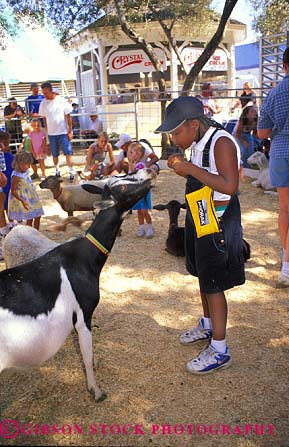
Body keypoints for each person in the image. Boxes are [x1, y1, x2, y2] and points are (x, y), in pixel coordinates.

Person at [155, 96, 245, 374]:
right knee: (203, 275)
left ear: (194, 124)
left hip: (218, 222)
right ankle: (208, 324)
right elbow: (207, 177)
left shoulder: (221, 143)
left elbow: (229, 185)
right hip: (201, 214)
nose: (172, 137)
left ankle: (220, 349)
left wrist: (190, 169)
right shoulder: (198, 143)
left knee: (214, 283)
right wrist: (185, 169)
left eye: (176, 131)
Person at [257, 47, 289, 288]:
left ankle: (286, 264)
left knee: (285, 209)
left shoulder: (275, 92)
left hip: (280, 153)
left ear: (284, 66)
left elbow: (262, 131)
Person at [39, 82, 75, 182]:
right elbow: (44, 118)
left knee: (68, 152)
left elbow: (68, 116)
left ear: (51, 90)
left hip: (63, 131)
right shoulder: (43, 103)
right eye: (43, 93)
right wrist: (47, 132)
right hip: (51, 133)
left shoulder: (61, 100)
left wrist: (70, 131)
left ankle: (71, 171)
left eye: (46, 92)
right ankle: (57, 170)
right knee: (54, 154)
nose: (44, 95)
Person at [8, 151, 44, 230]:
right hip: (25, 199)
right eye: (27, 164)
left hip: (32, 197)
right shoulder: (16, 176)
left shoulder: (26, 172)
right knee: (30, 218)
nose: (29, 167)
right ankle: (29, 234)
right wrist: (22, 201)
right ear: (20, 163)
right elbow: (13, 191)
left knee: (38, 215)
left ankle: (36, 233)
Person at [127, 141, 154, 238]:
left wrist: (130, 162)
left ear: (139, 154)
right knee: (139, 210)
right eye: (129, 152)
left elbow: (134, 172)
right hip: (136, 190)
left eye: (131, 152)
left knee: (144, 210)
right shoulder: (132, 164)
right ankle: (141, 227)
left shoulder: (141, 165)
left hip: (143, 191)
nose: (129, 154)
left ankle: (150, 226)